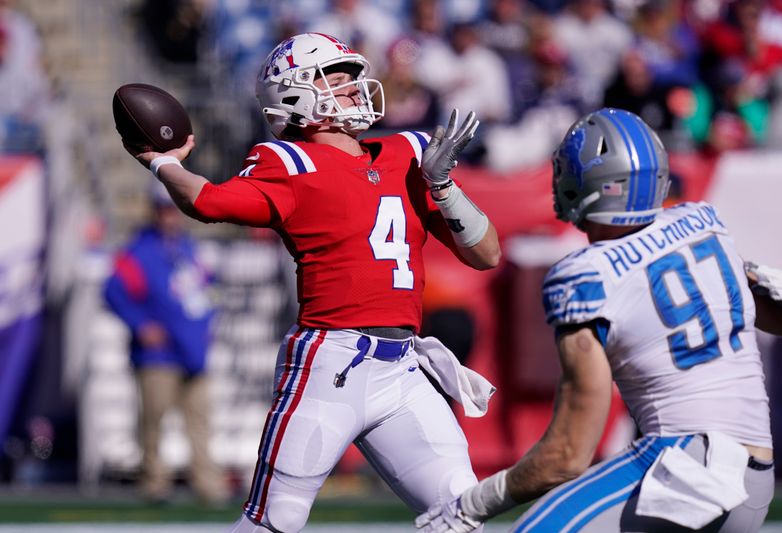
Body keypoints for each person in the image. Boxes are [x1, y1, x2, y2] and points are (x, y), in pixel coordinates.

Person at [122, 32, 501, 532]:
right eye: (337, 80)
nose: (354, 89)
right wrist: (165, 163)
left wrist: (443, 185)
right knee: (275, 520)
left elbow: (487, 253)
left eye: (351, 79)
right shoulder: (287, 162)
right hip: (330, 365)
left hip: (404, 370)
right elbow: (208, 201)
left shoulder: (409, 153)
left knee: (461, 509)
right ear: (296, 96)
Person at [415, 108, 782, 532]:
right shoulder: (703, 227)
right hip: (755, 474)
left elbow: (567, 455)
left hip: (684, 470)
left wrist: (471, 504)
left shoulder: (586, 275)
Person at [103, 179, 228, 505]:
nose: (169, 217)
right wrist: (140, 324)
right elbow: (114, 291)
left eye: (173, 210)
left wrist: (206, 325)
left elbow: (208, 291)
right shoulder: (139, 250)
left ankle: (208, 483)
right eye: (163, 210)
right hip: (158, 355)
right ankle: (155, 482)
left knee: (200, 422)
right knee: (154, 421)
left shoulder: (189, 249)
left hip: (193, 350)